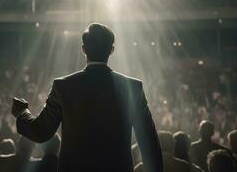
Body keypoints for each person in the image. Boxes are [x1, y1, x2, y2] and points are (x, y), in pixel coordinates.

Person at [11, 23, 163, 172]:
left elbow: (41, 131)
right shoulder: (133, 88)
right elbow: (149, 144)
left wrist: (22, 112)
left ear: (84, 49)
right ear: (111, 50)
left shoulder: (63, 87)